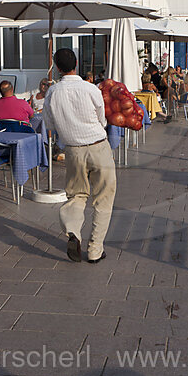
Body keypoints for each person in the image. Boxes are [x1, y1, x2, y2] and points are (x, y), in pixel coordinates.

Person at [43, 47, 114, 264]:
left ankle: (73, 230)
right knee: (103, 198)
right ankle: (95, 250)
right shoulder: (90, 88)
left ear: (57, 68)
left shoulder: (52, 93)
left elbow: (49, 124)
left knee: (76, 195)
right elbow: (102, 119)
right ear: (76, 64)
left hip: (73, 150)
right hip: (97, 145)